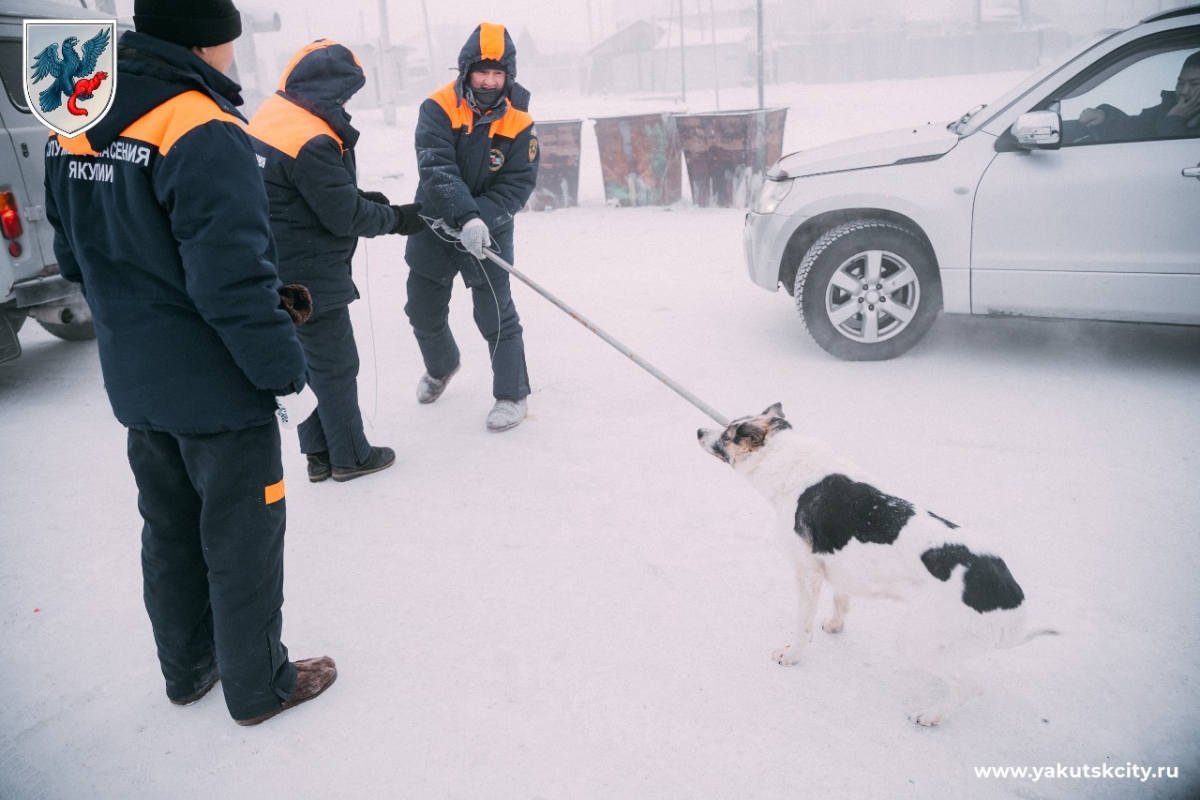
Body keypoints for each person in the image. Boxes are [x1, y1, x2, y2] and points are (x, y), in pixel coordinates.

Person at [43, 0, 336, 726]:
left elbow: (73, 258)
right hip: (217, 389)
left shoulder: (75, 115)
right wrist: (285, 373)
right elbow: (231, 282)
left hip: (136, 379)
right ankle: (259, 687)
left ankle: (188, 670)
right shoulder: (199, 125)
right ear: (211, 41)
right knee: (242, 538)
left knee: (170, 530)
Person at [248, 40, 425, 483]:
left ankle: (318, 454)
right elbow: (344, 216)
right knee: (336, 365)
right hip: (311, 272)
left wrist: (362, 197)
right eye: (345, 95)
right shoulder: (312, 138)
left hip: (273, 260)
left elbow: (299, 191)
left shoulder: (271, 116)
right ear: (329, 88)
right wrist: (399, 218)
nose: (346, 104)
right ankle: (351, 456)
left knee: (303, 364)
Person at [404, 22, 540, 432]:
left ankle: (512, 395)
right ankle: (442, 365)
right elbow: (436, 167)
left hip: (489, 230)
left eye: (498, 73)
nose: (489, 81)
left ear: (508, 75)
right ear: (466, 70)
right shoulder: (438, 107)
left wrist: (479, 218)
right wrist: (463, 216)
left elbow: (518, 184)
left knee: (496, 315)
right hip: (435, 224)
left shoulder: (520, 121)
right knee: (422, 310)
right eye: (482, 72)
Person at [1078, 50, 1200, 140]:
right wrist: (1106, 117)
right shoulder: (1166, 109)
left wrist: (1174, 120)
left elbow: (1174, 157)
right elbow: (1136, 129)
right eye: (1180, 83)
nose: (1184, 91)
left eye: (1194, 84)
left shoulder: (1175, 114)